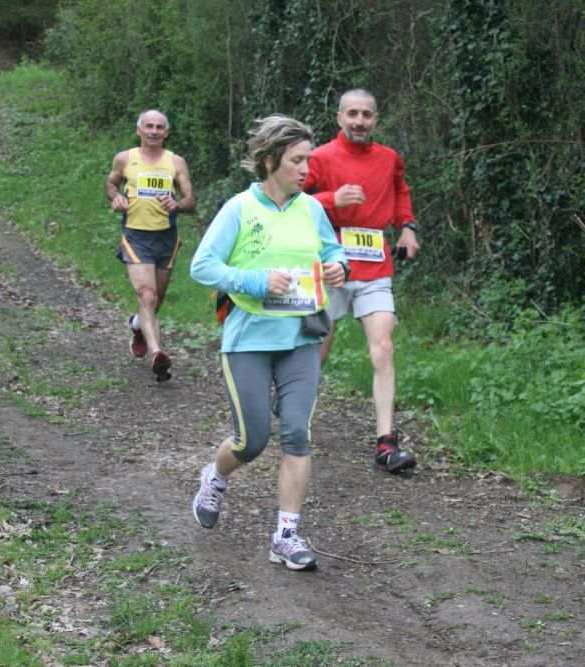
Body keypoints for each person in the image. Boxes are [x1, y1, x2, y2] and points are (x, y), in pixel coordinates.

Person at [189, 115, 348, 571]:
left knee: (297, 431)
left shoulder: (311, 209)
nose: (306, 169)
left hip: (301, 336)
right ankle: (216, 477)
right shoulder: (240, 208)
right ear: (270, 159)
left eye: (309, 160)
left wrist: (339, 267)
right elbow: (202, 266)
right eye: (298, 160)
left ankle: (287, 535)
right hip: (248, 339)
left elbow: (330, 251)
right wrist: (256, 280)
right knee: (252, 440)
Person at [302, 88, 420, 474]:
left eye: (366, 115)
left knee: (383, 347)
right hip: (329, 265)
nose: (359, 121)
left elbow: (400, 192)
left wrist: (406, 228)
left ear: (375, 120)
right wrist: (334, 198)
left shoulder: (389, 159)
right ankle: (296, 413)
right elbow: (293, 202)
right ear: (339, 118)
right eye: (352, 114)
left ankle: (386, 443)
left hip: (374, 266)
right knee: (318, 346)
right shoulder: (319, 157)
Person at [105, 109, 196, 382]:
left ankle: (137, 326)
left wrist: (178, 204)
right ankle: (158, 353)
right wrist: (116, 197)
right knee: (147, 295)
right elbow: (110, 184)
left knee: (156, 301)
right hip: (135, 235)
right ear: (139, 130)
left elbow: (191, 200)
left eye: (159, 127)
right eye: (149, 126)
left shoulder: (176, 162)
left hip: (166, 237)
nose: (154, 131)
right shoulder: (125, 159)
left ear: (166, 132)